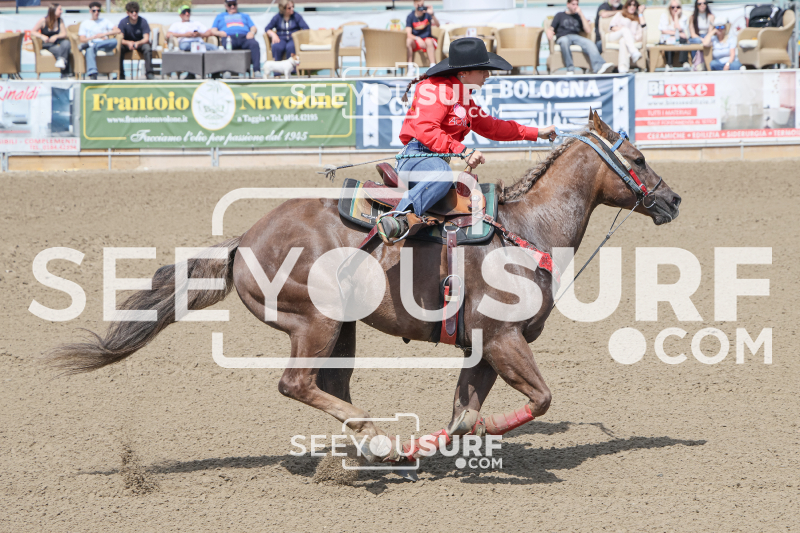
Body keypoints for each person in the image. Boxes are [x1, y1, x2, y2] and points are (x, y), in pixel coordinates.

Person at [377, 37, 557, 243]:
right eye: (482, 70)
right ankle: (398, 219)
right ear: (463, 73)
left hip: (431, 161)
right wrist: (462, 150)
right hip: (416, 158)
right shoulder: (436, 89)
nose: (487, 75)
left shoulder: (463, 97)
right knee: (442, 175)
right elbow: (425, 129)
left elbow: (492, 127)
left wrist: (537, 133)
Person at [546, 0, 614, 75]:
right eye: (573, 4)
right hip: (563, 37)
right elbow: (551, 28)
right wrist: (549, 32)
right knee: (564, 41)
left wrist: (581, 14)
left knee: (589, 43)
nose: (575, 6)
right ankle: (570, 69)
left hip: (576, 37)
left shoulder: (578, 16)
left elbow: (588, 30)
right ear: (568, 4)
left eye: (577, 4)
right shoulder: (560, 15)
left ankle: (599, 66)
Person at [211, 0, 261, 78]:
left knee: (254, 44)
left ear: (237, 5)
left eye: (234, 4)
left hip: (244, 37)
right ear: (226, 6)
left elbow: (253, 27)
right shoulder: (220, 16)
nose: (232, 6)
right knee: (227, 46)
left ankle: (257, 70)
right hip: (229, 37)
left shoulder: (244, 15)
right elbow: (213, 30)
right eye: (230, 5)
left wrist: (252, 33)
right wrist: (219, 33)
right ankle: (226, 70)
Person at [79, 1, 120, 80]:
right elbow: (82, 39)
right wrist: (92, 38)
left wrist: (103, 34)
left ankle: (92, 45)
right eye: (94, 11)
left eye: (98, 10)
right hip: (92, 43)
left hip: (104, 44)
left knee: (114, 41)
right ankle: (93, 73)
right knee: (90, 49)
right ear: (90, 11)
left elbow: (117, 30)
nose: (96, 12)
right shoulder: (85, 23)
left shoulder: (104, 21)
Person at [31, 4, 71, 78]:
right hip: (48, 45)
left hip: (57, 42)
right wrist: (42, 36)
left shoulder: (60, 20)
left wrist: (56, 36)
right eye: (60, 9)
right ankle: (65, 74)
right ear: (53, 11)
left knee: (66, 43)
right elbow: (33, 31)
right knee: (61, 51)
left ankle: (61, 60)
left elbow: (64, 33)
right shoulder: (43, 20)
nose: (61, 11)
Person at [265, 0, 308, 65]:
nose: (292, 9)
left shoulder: (296, 16)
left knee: (291, 47)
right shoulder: (277, 17)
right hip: (281, 38)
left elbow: (306, 28)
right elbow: (267, 28)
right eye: (289, 8)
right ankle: (277, 69)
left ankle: (292, 69)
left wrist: (297, 34)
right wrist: (273, 34)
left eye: (293, 7)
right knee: (276, 46)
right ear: (283, 9)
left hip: (293, 39)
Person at [607, 0, 645, 73]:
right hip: (615, 36)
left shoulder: (638, 17)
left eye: (634, 5)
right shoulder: (620, 14)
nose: (632, 7)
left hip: (628, 39)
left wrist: (640, 13)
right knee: (625, 30)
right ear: (627, 6)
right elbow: (612, 27)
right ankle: (633, 51)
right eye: (630, 5)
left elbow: (644, 27)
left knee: (623, 41)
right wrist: (624, 30)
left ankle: (623, 68)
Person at [118, 2, 153, 80]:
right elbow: (120, 39)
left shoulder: (143, 21)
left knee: (147, 48)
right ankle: (120, 75)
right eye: (132, 12)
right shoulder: (123, 22)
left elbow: (146, 38)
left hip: (140, 43)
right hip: (127, 44)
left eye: (136, 11)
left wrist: (137, 43)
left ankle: (150, 74)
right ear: (128, 13)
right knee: (119, 48)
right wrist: (128, 43)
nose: (134, 13)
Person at [405, 0, 440, 68]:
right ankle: (410, 68)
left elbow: (438, 25)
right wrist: (417, 38)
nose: (420, 7)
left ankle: (433, 66)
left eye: (422, 5)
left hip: (427, 40)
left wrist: (432, 14)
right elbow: (408, 34)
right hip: (416, 41)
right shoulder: (410, 16)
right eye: (419, 5)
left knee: (428, 41)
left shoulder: (427, 14)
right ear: (414, 4)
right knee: (408, 41)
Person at [659, 0, 689, 69]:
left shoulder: (683, 17)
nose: (675, 9)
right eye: (673, 7)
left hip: (678, 38)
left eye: (678, 7)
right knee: (669, 40)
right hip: (667, 37)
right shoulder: (664, 16)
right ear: (669, 8)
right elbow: (663, 31)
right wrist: (677, 34)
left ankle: (684, 62)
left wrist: (676, 16)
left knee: (683, 39)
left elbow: (678, 28)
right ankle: (669, 64)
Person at [688, 0, 714, 70]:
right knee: (697, 41)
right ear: (696, 5)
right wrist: (701, 39)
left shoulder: (711, 16)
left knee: (710, 41)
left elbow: (710, 32)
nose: (702, 5)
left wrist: (706, 39)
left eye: (704, 3)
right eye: (699, 4)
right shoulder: (692, 17)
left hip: (707, 36)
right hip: (696, 37)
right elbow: (692, 34)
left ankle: (706, 63)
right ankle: (696, 62)